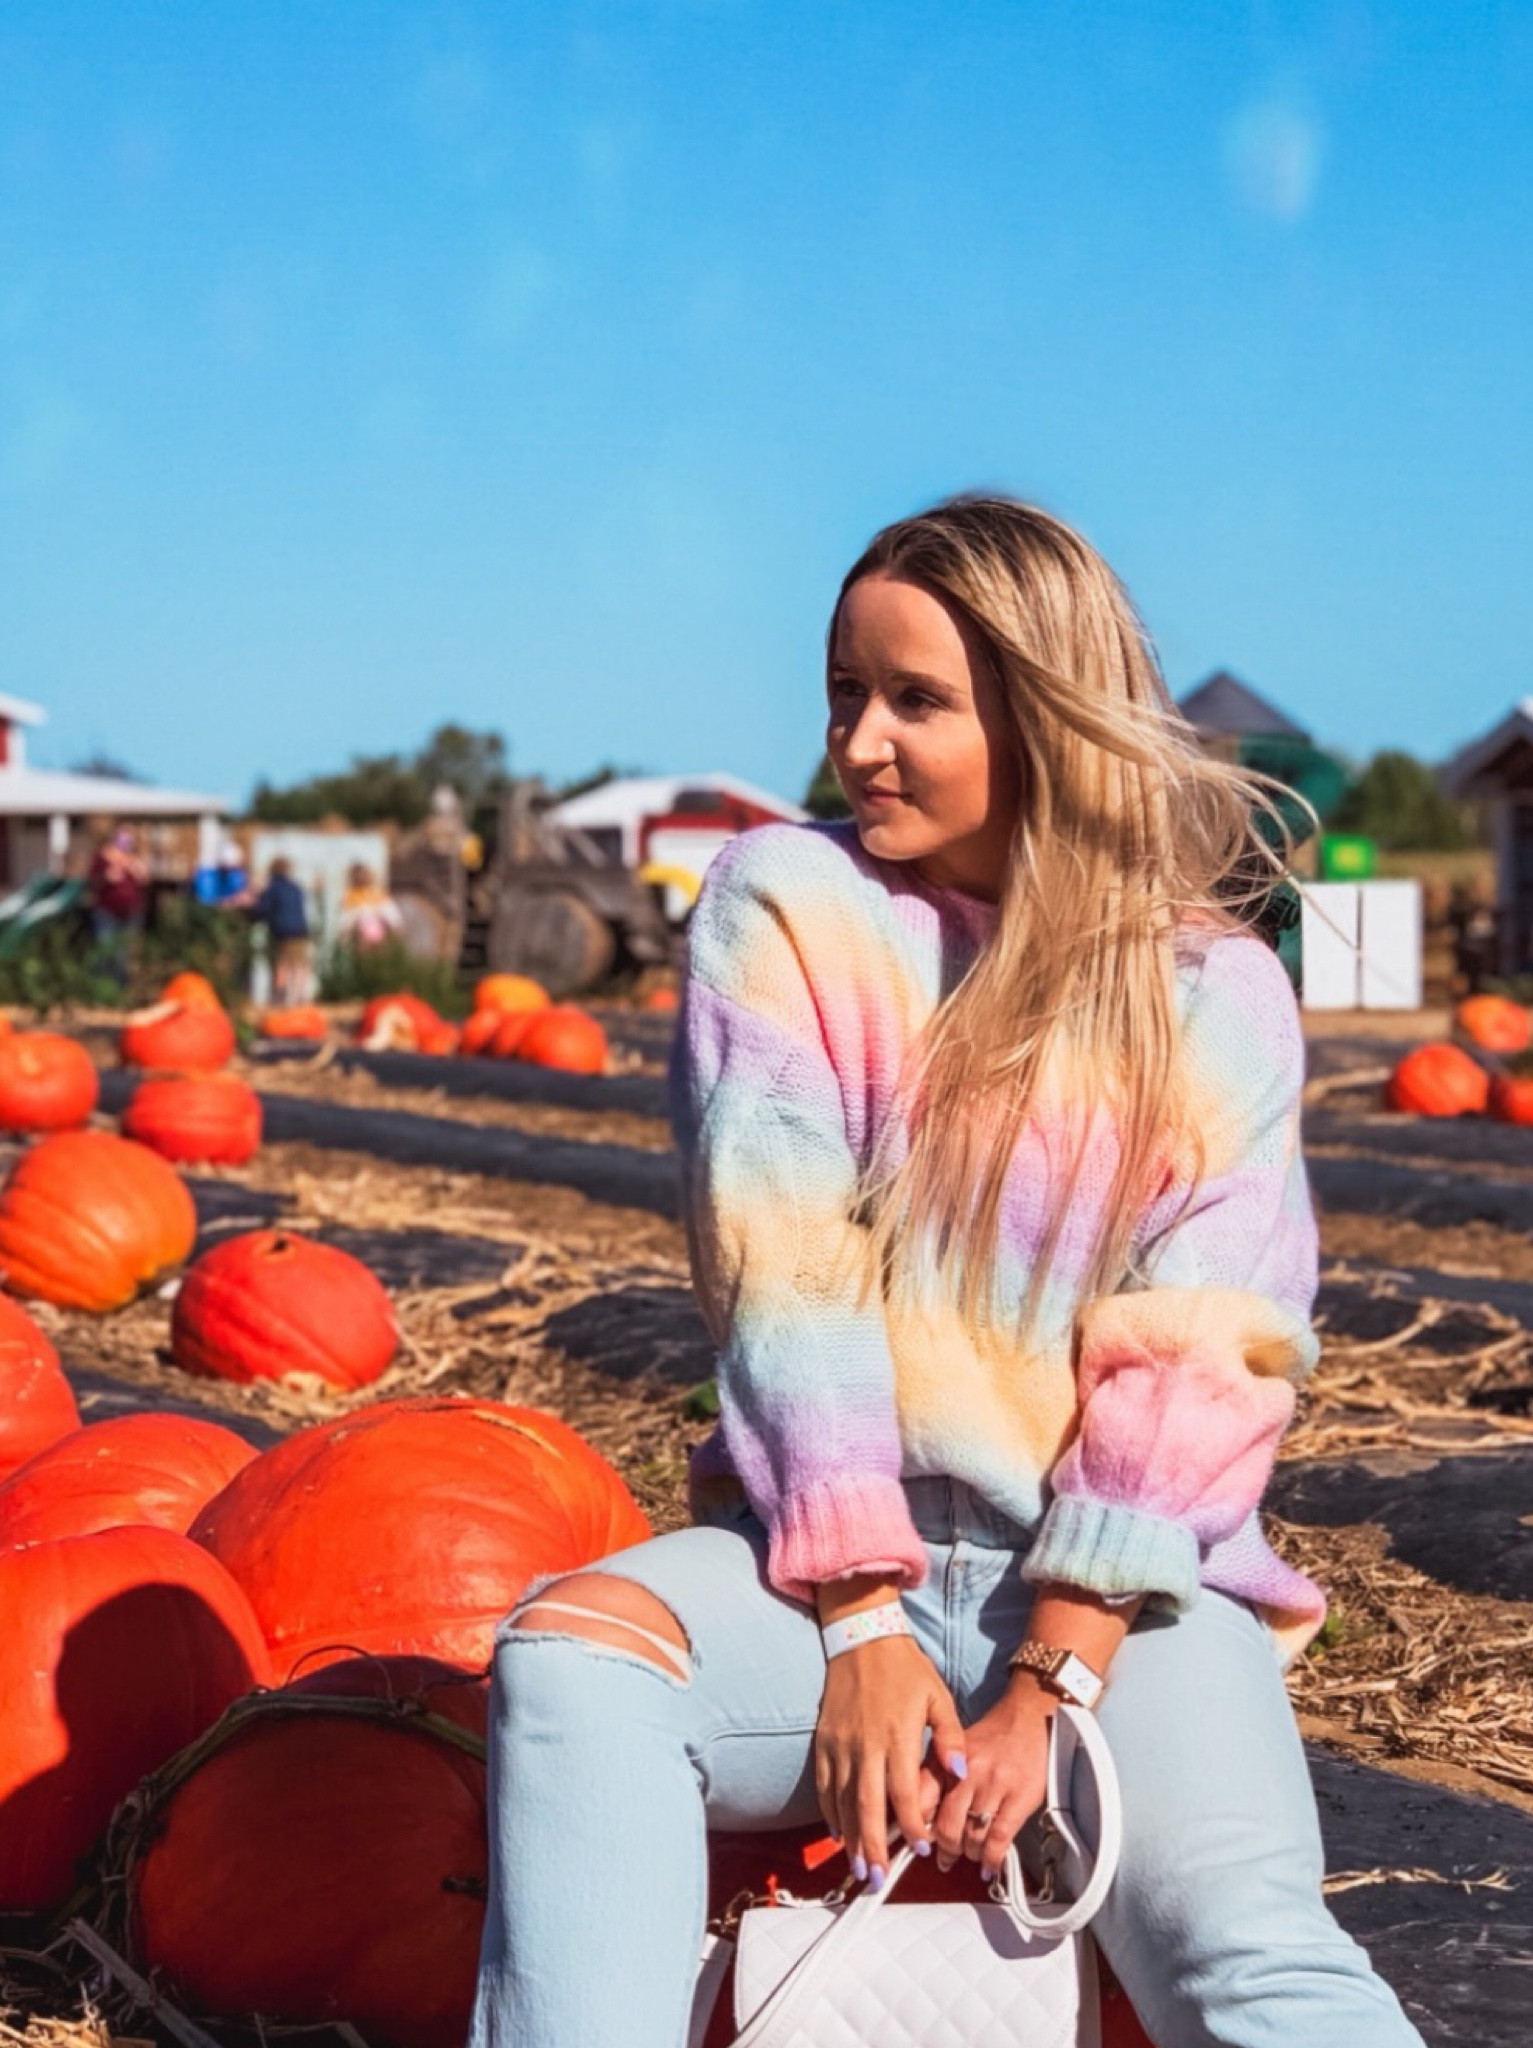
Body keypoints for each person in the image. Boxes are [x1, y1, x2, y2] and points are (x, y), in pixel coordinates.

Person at [470, 498, 1425, 2047]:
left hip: (1131, 1596)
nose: (860, 744)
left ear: (1044, 717)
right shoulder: (789, 907)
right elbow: (788, 1270)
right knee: (575, 1670)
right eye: (846, 692)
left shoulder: (1213, 991)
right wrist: (856, 1625)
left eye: (916, 700)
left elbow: (1204, 1352)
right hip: (841, 1569)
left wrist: (1054, 1687)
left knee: (1239, 1949)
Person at [86, 825, 148, 983]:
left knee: (124, 954)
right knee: (106, 950)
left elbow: (144, 880)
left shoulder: (133, 859)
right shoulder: (102, 858)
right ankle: (101, 985)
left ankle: (120, 986)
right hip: (106, 912)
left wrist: (134, 867)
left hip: (130, 913)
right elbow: (92, 882)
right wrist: (108, 877)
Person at [249, 857, 313, 1005]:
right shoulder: (296, 888)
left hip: (282, 932)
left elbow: (262, 909)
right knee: (299, 965)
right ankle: (298, 996)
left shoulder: (272, 889)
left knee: (283, 964)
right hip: (300, 931)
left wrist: (250, 913)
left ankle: (280, 996)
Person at [337, 862, 402, 951]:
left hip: (380, 934)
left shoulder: (377, 893)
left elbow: (392, 915)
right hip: (360, 936)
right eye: (359, 875)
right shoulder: (349, 895)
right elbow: (346, 919)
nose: (362, 877)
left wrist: (396, 927)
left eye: (364, 874)